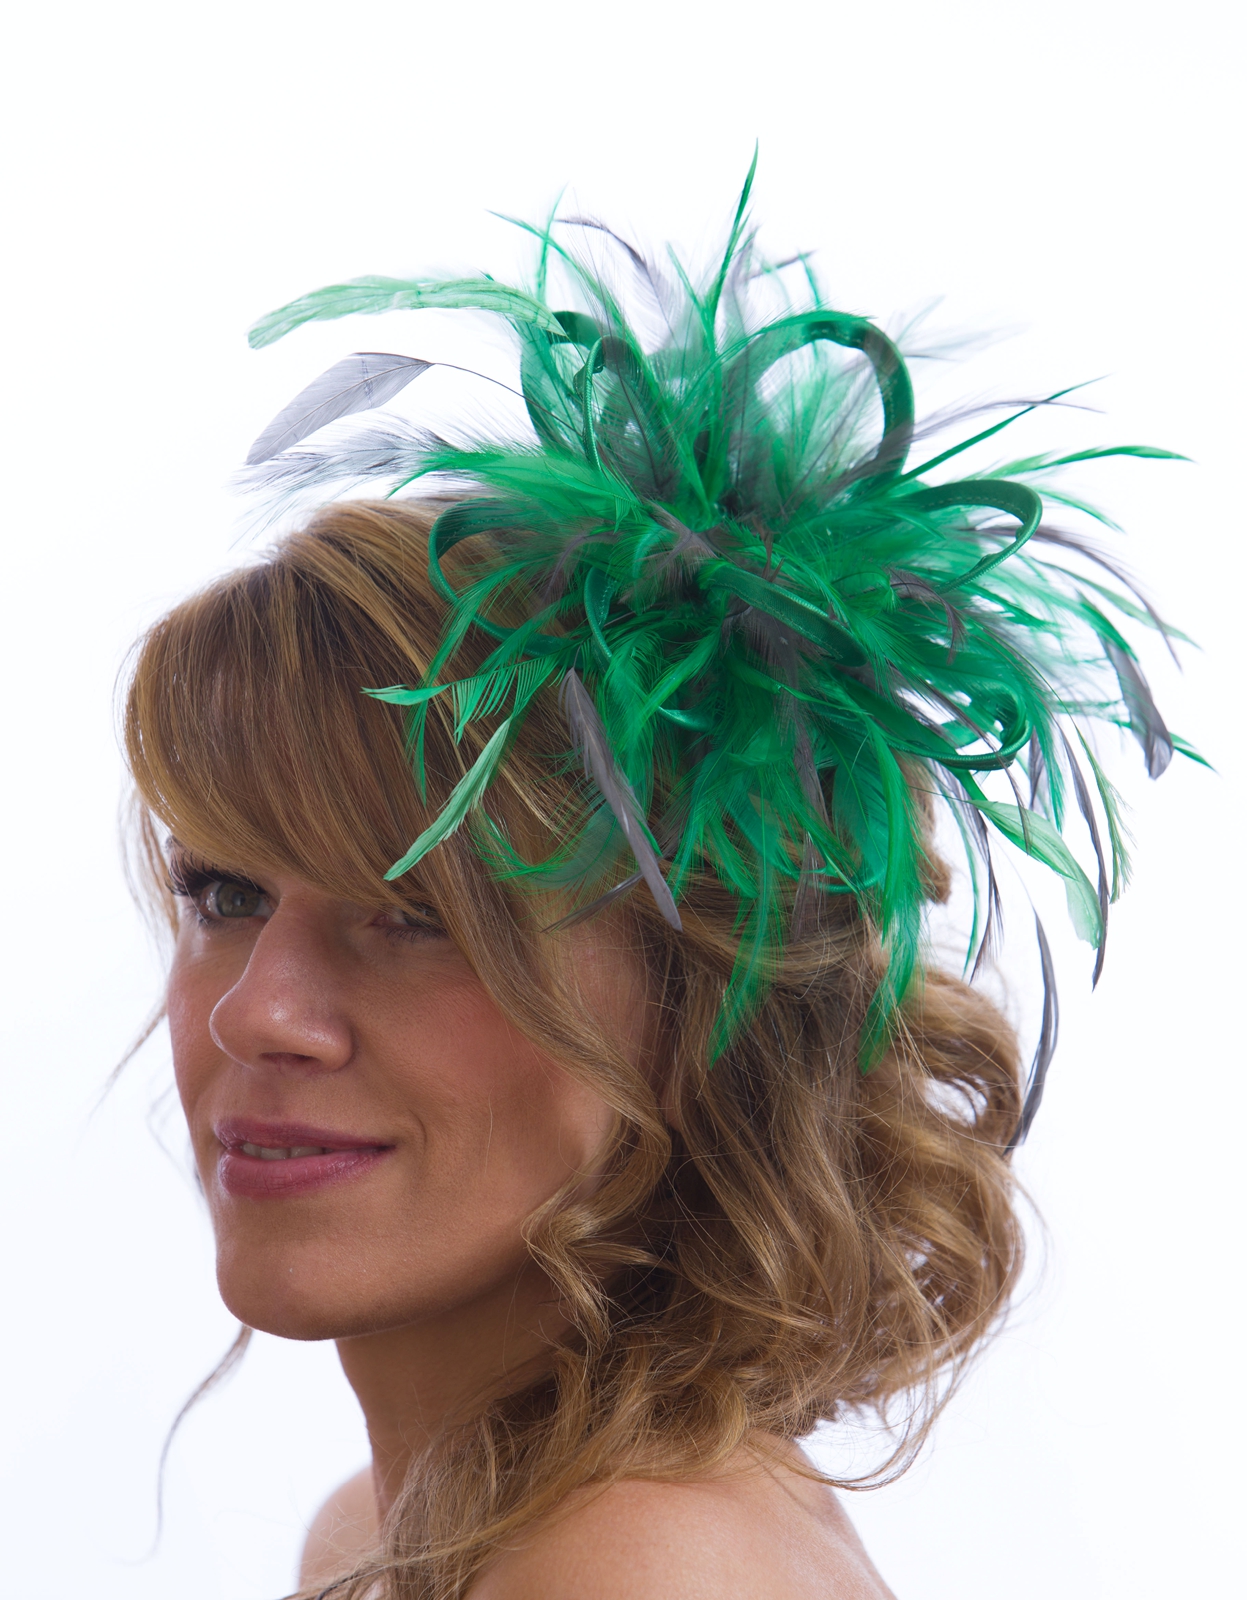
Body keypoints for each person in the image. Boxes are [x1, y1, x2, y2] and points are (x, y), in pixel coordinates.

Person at [121, 170, 1181, 1599]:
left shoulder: (632, 1566)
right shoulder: (394, 1533)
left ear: (705, 1001)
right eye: (226, 896)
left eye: (419, 915)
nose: (256, 1014)